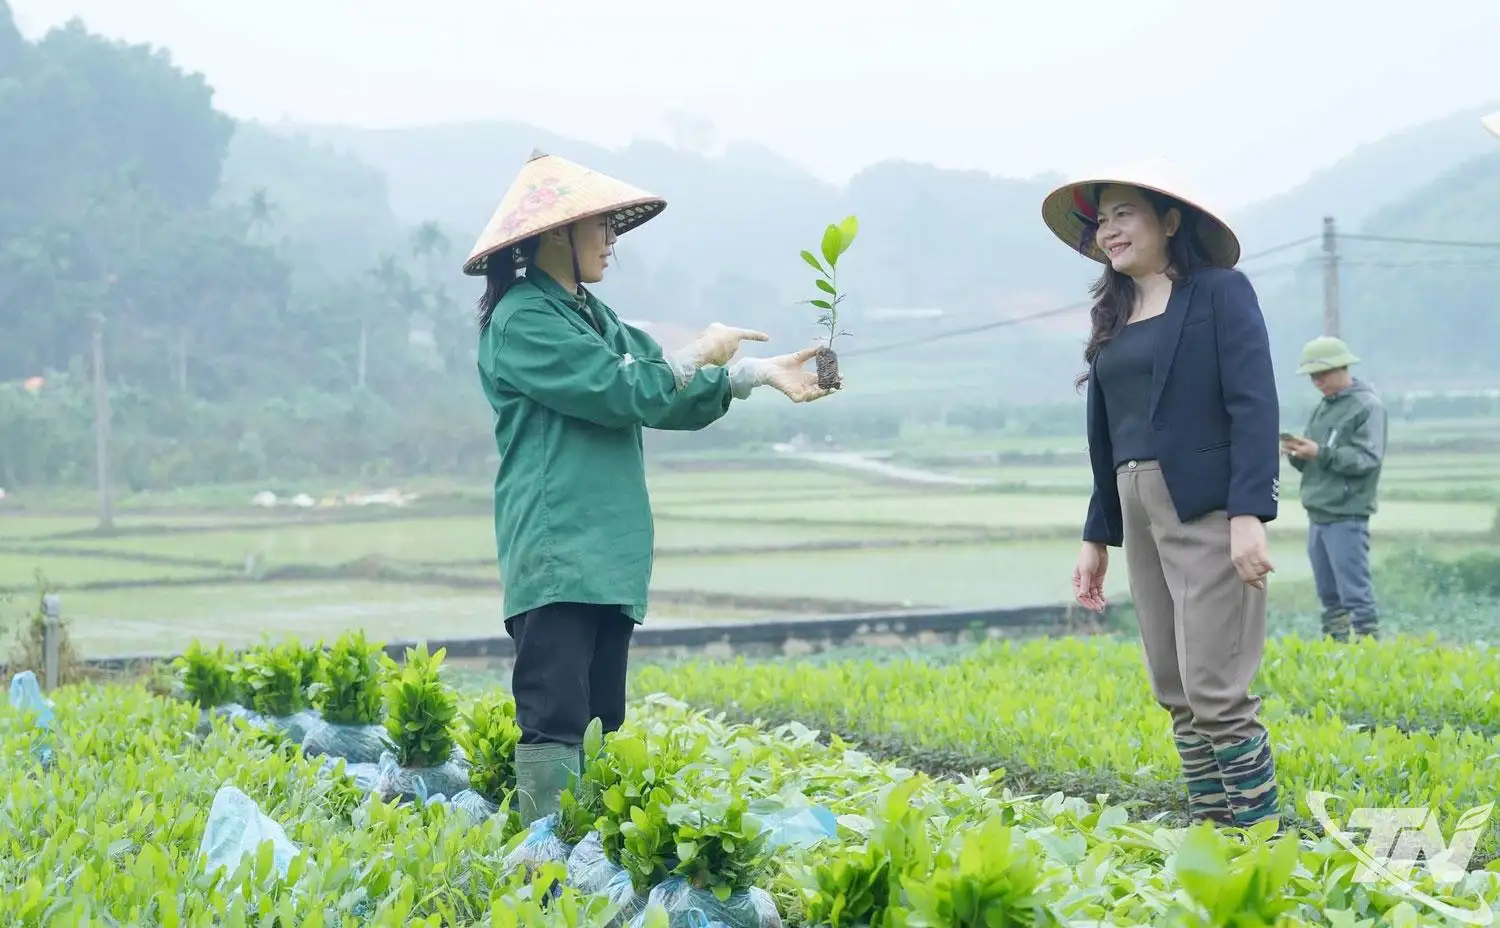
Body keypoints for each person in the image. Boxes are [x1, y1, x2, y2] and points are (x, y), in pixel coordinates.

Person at [464, 149, 834, 825]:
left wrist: (753, 374)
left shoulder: (593, 317)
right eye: (600, 227)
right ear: (555, 234)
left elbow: (664, 388)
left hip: (608, 553)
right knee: (556, 714)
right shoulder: (525, 319)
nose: (612, 241)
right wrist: (700, 355)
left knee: (604, 716)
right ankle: (548, 872)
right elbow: (622, 387)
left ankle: (596, 861)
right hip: (557, 550)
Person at [1043, 163, 1283, 830]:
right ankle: (1215, 832)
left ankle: (1260, 837)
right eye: (1101, 220)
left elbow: (1254, 404)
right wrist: (1097, 535)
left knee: (1215, 687)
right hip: (1135, 502)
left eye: (1124, 213)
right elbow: (1107, 430)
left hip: (1204, 503)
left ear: (1169, 221)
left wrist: (1249, 514)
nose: (1108, 229)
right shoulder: (1114, 312)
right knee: (1175, 687)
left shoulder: (1219, 293)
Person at [1282, 336, 1387, 641]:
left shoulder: (1367, 407)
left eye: (1321, 374)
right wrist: (1298, 454)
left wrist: (1319, 453)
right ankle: (1336, 655)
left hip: (1347, 513)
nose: (1316, 382)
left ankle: (1369, 652)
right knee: (1329, 596)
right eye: (1312, 376)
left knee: (1355, 594)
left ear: (1342, 368)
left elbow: (1367, 459)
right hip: (1318, 511)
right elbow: (1317, 459)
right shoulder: (1324, 408)